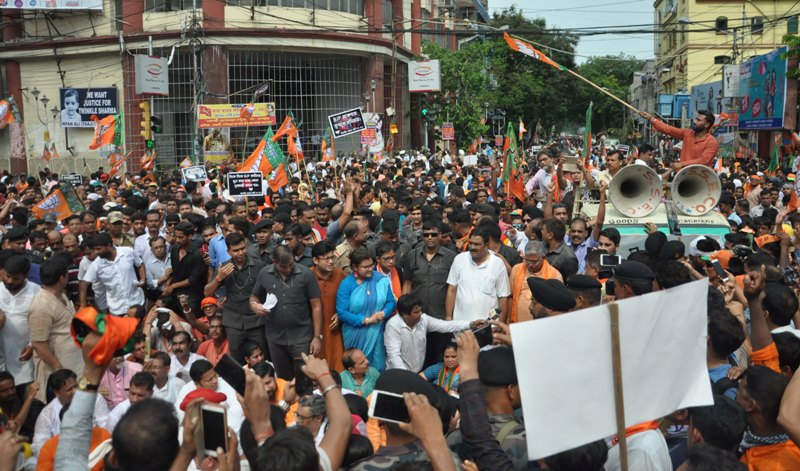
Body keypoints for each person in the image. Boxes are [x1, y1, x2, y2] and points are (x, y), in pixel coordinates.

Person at [250, 245, 323, 380]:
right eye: (284, 267)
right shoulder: (264, 273)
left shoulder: (306, 274)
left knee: (305, 379)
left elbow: (316, 306)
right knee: (284, 379)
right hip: (275, 338)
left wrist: (317, 337)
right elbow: (254, 297)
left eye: (290, 265)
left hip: (301, 337)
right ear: (274, 262)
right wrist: (255, 306)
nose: (288, 269)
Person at [204, 232, 267, 363]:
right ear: (228, 251)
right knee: (237, 360)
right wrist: (218, 278)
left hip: (255, 320)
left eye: (243, 249)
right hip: (233, 322)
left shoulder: (259, 266)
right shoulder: (224, 268)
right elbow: (207, 293)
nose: (240, 253)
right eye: (236, 250)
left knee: (262, 356)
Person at [29, 257, 83, 403]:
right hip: (59, 373)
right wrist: (59, 369)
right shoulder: (41, 305)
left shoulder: (61, 295)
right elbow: (39, 344)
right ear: (62, 277)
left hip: (75, 367)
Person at [335, 248, 396, 372]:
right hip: (355, 332)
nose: (370, 269)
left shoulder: (381, 280)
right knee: (357, 367)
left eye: (371, 265)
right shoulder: (347, 284)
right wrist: (366, 320)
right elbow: (341, 312)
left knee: (378, 367)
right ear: (354, 267)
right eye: (365, 267)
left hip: (377, 331)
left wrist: (384, 313)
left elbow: (391, 302)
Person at [384, 294, 478, 373]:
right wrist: (408, 378)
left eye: (420, 310)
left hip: (417, 373)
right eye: (416, 312)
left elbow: (446, 325)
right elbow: (394, 356)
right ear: (404, 314)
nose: (420, 313)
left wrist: (470, 324)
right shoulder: (393, 325)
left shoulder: (423, 319)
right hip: (397, 374)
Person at [445, 227, 510, 323]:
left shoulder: (497, 264)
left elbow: (503, 297)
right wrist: (448, 317)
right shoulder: (459, 259)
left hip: (488, 327)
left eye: (477, 244)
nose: (472, 247)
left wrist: (499, 323)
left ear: (487, 245)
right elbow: (451, 290)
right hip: (461, 325)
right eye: (470, 243)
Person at [0, 255, 40, 393]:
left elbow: (43, 324)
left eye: (15, 278)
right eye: (7, 276)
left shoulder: (36, 292)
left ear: (25, 276)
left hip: (25, 359)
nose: (9, 281)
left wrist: (32, 345)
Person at [80, 233, 145, 316]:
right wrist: (82, 305)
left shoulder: (128, 252)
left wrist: (143, 279)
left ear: (109, 246)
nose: (96, 252)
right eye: (95, 249)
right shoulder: (96, 265)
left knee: (141, 328)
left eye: (99, 249)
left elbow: (140, 264)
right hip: (117, 310)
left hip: (137, 302)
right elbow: (84, 284)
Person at [311, 240, 347, 371]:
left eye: (332, 257)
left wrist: (340, 313)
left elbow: (350, 299)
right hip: (313, 332)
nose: (331, 261)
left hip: (335, 331)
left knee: (337, 368)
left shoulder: (340, 275)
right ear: (315, 260)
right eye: (326, 259)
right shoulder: (307, 276)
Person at [640, 109, 719, 169]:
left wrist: (682, 164)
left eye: (698, 120)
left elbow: (704, 161)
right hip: (683, 176)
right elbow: (668, 129)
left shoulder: (711, 142)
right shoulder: (688, 133)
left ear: (707, 124)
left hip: (702, 180)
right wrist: (651, 118)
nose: (694, 121)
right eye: (695, 119)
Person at [508, 240, 562, 323]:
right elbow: (511, 297)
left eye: (534, 262)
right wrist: (508, 320)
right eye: (527, 261)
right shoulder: (516, 269)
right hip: (517, 323)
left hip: (543, 324)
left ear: (543, 258)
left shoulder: (555, 275)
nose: (530, 265)